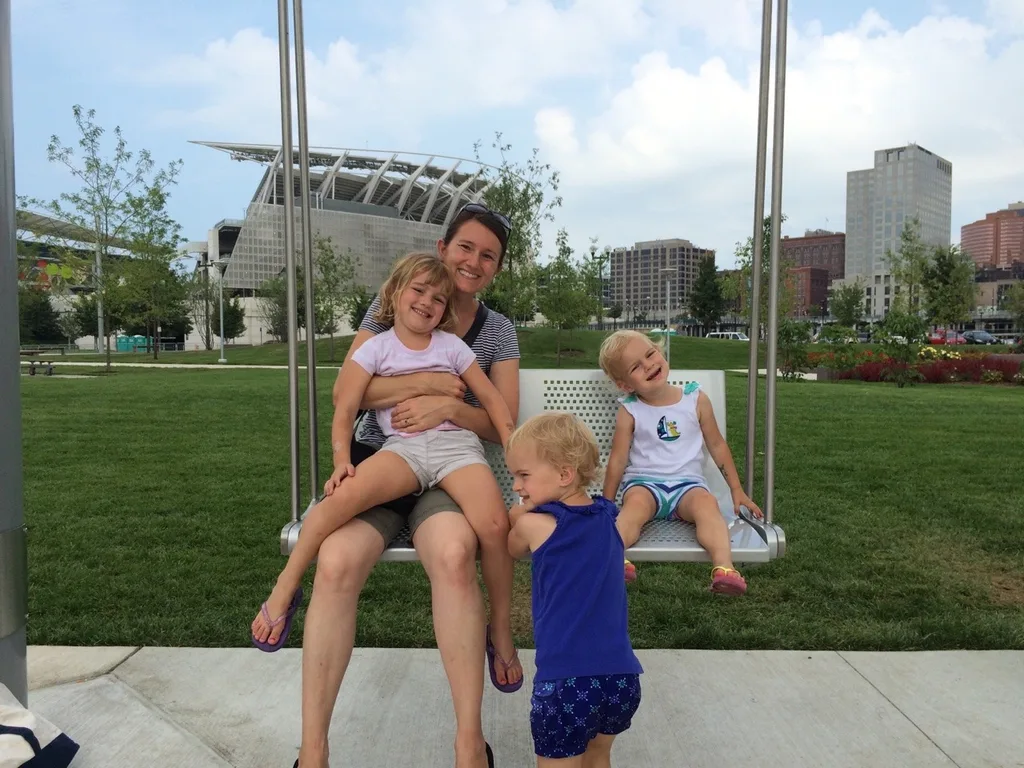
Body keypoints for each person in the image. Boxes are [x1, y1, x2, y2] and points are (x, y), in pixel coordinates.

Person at [292, 203, 522, 768]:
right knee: (338, 561)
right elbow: (352, 394)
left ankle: (469, 742)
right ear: (443, 249)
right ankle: (314, 750)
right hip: (384, 459)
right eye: (465, 247)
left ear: (495, 269)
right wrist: (424, 381)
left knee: (451, 553)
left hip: (449, 466)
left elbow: (501, 422)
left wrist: (448, 403)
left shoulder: (497, 333)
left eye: (487, 256)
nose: (473, 261)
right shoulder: (391, 305)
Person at [251, 252, 517, 659]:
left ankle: (499, 627)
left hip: (456, 450)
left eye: (439, 299)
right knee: (334, 502)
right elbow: (344, 409)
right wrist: (343, 460)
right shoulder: (375, 350)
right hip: (403, 449)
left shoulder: (452, 348)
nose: (427, 302)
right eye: (419, 290)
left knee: (496, 526)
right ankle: (285, 587)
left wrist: (512, 445)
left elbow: (492, 401)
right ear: (393, 293)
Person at [506, 413, 643, 768]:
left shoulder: (535, 524)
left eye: (523, 476)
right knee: (598, 758)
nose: (517, 487)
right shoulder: (608, 516)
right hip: (621, 678)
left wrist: (516, 514)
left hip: (566, 681)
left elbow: (512, 547)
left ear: (565, 474)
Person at [597, 330, 763, 593]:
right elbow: (617, 461)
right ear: (626, 384)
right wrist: (606, 503)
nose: (649, 365)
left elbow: (717, 445)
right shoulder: (630, 409)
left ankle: (725, 568)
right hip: (645, 484)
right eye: (636, 367)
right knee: (633, 510)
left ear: (660, 351)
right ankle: (615, 557)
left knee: (707, 506)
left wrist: (736, 489)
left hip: (689, 485)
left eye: (650, 354)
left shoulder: (695, 399)